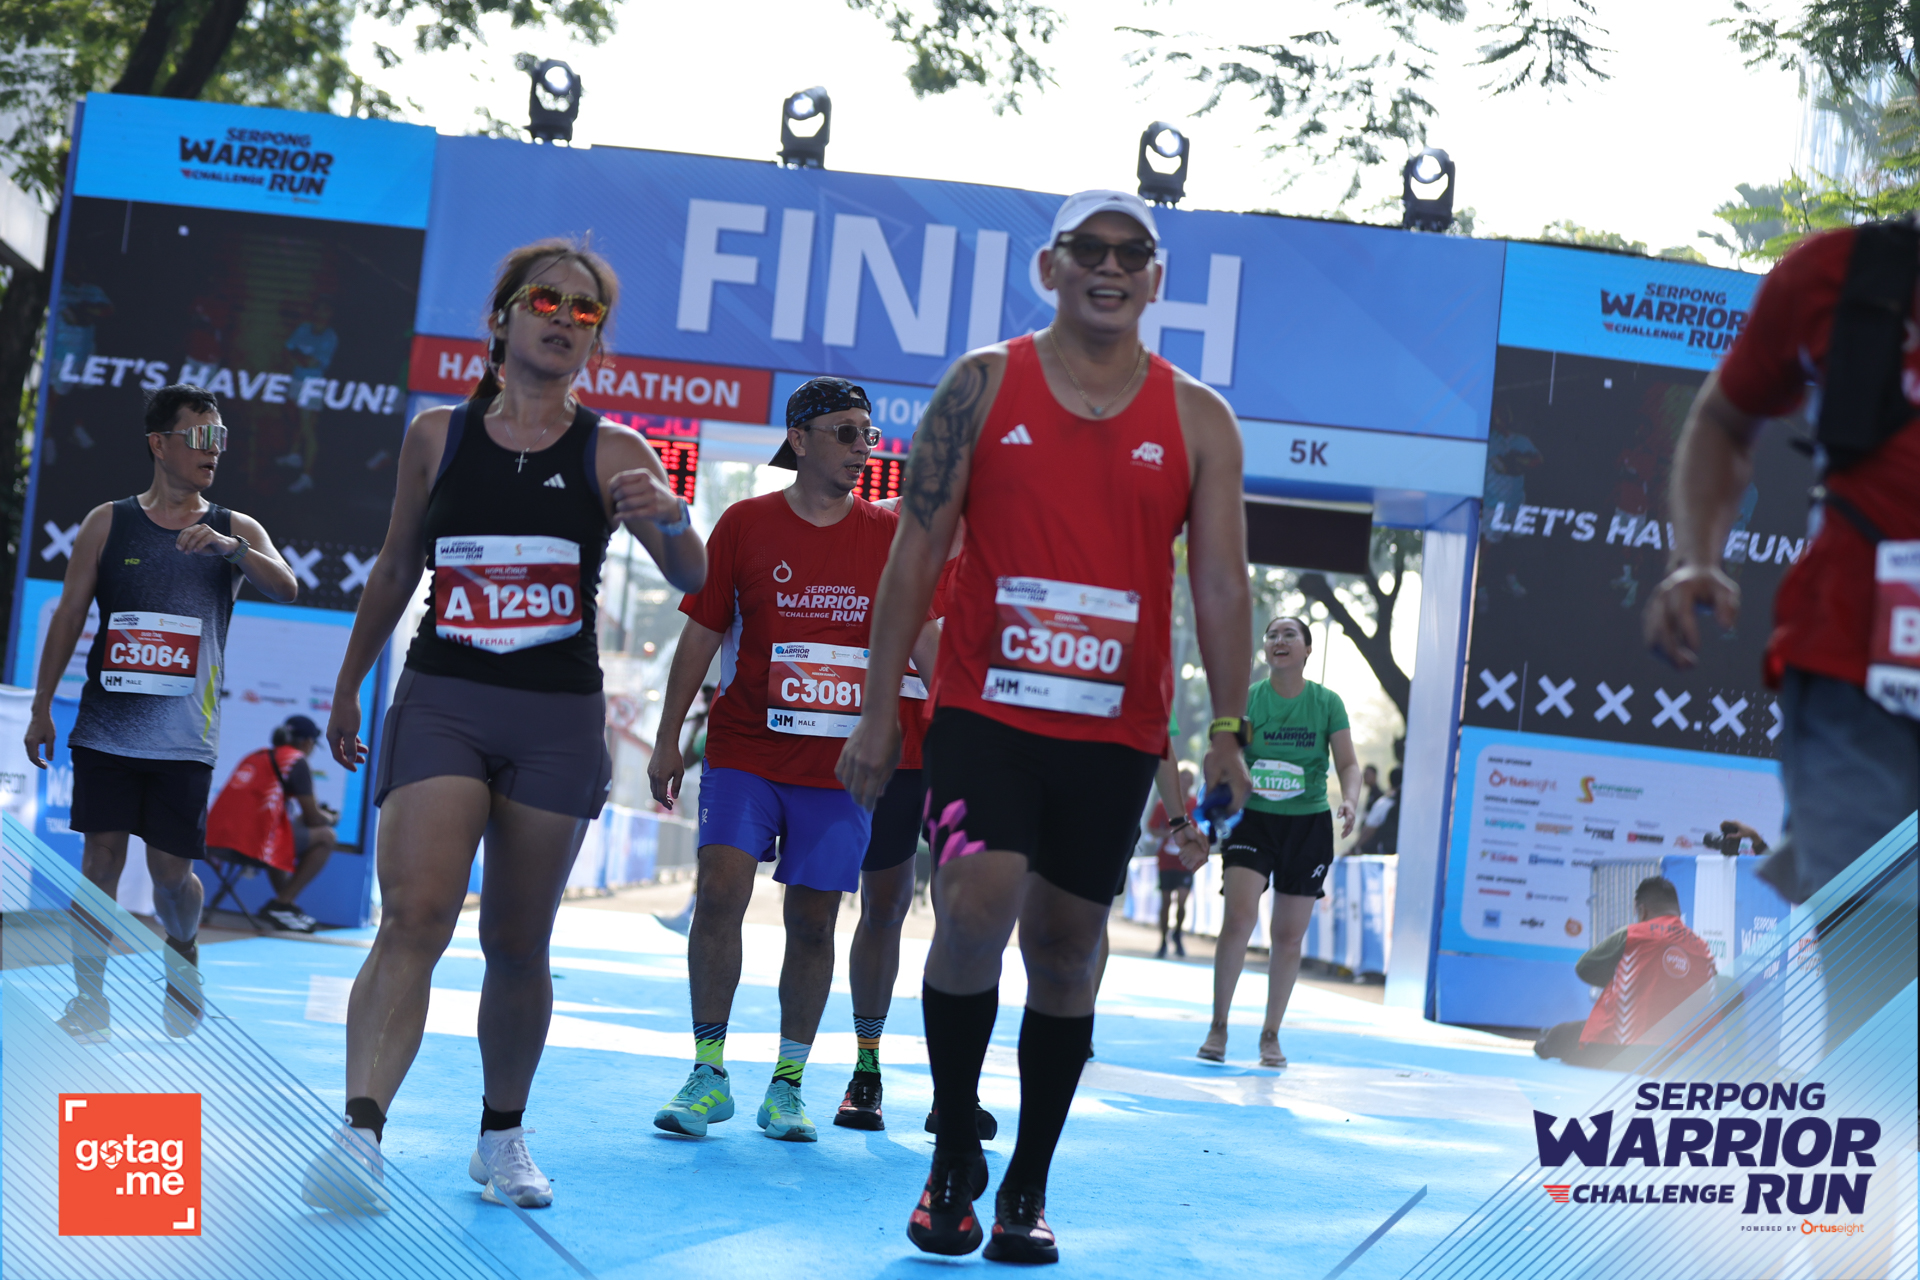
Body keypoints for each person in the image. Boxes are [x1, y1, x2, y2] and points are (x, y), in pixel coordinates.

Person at [836, 188, 1253, 1264]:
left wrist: (1229, 727)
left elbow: (1220, 584)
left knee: (1067, 950)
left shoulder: (1199, 419)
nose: (1109, 266)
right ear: (1049, 267)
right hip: (984, 710)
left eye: (1131, 252)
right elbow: (915, 552)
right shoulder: (980, 386)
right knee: (974, 904)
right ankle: (951, 1148)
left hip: (1113, 732)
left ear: (1155, 278)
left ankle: (1026, 1179)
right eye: (1088, 249)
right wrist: (878, 708)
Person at [302, 239, 705, 1214]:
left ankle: (501, 1134)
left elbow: (695, 578)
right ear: (501, 317)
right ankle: (359, 1132)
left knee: (518, 942)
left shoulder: (617, 451)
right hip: (444, 694)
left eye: (585, 310)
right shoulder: (435, 435)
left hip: (555, 717)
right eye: (545, 300)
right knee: (415, 915)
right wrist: (349, 684)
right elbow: (396, 565)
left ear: (597, 340)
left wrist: (673, 516)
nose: (564, 318)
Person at [1643, 222, 1919, 1054]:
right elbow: (1724, 421)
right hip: (1854, 685)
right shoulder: (1840, 272)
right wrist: (1697, 555)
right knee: (1878, 979)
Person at [647, 376, 911, 1146]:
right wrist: (668, 736)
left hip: (840, 769)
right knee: (719, 890)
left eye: (868, 434)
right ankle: (707, 1072)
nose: (862, 449)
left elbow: (921, 638)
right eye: (845, 433)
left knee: (814, 919)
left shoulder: (888, 537)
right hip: (746, 752)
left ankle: (787, 1087)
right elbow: (702, 632)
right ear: (799, 439)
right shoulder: (744, 523)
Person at [23, 383, 299, 1044]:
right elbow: (69, 616)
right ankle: (89, 999)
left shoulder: (235, 528)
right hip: (106, 730)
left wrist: (231, 550)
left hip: (184, 740)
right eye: (200, 437)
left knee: (171, 878)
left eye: (219, 438)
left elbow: (287, 586)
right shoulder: (108, 522)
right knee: (99, 865)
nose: (213, 450)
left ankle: (183, 949)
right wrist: (40, 707)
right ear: (158, 444)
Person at [1199, 616, 1361, 1068]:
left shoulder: (1327, 703)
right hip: (1253, 821)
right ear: (1265, 649)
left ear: (1307, 649)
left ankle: (1271, 1034)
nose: (1279, 640)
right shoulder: (1248, 701)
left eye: (1290, 634)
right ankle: (1218, 1026)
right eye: (1272, 635)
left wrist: (1350, 801)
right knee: (1239, 917)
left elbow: (1348, 764)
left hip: (1307, 825)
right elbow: (1219, 755)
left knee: (1288, 937)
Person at [1533, 876, 1715, 1071]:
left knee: (1561, 1035)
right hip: (1684, 1056)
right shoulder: (1702, 947)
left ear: (1642, 910)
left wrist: (1626, 981)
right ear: (1678, 911)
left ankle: (1546, 1043)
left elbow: (1584, 967)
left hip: (1624, 1049)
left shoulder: (1634, 935)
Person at [204, 713, 339, 932]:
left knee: (283, 833)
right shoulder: (295, 760)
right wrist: (331, 818)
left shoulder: (257, 755)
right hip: (247, 844)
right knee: (326, 836)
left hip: (213, 839)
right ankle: (283, 902)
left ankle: (284, 905)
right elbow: (313, 818)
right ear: (307, 742)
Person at [1147, 761, 1199, 958]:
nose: (1185, 783)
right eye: (1182, 779)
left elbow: (1204, 827)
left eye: (1189, 780)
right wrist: (1169, 833)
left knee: (1183, 900)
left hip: (1187, 860)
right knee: (1166, 901)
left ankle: (1177, 934)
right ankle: (1162, 940)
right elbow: (1152, 828)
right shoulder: (1163, 804)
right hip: (1166, 859)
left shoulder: (1196, 805)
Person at [1356, 766, 1401, 855]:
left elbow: (1371, 826)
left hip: (1379, 849)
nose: (1364, 777)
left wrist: (1356, 847)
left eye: (1367, 775)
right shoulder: (1382, 798)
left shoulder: (1384, 799)